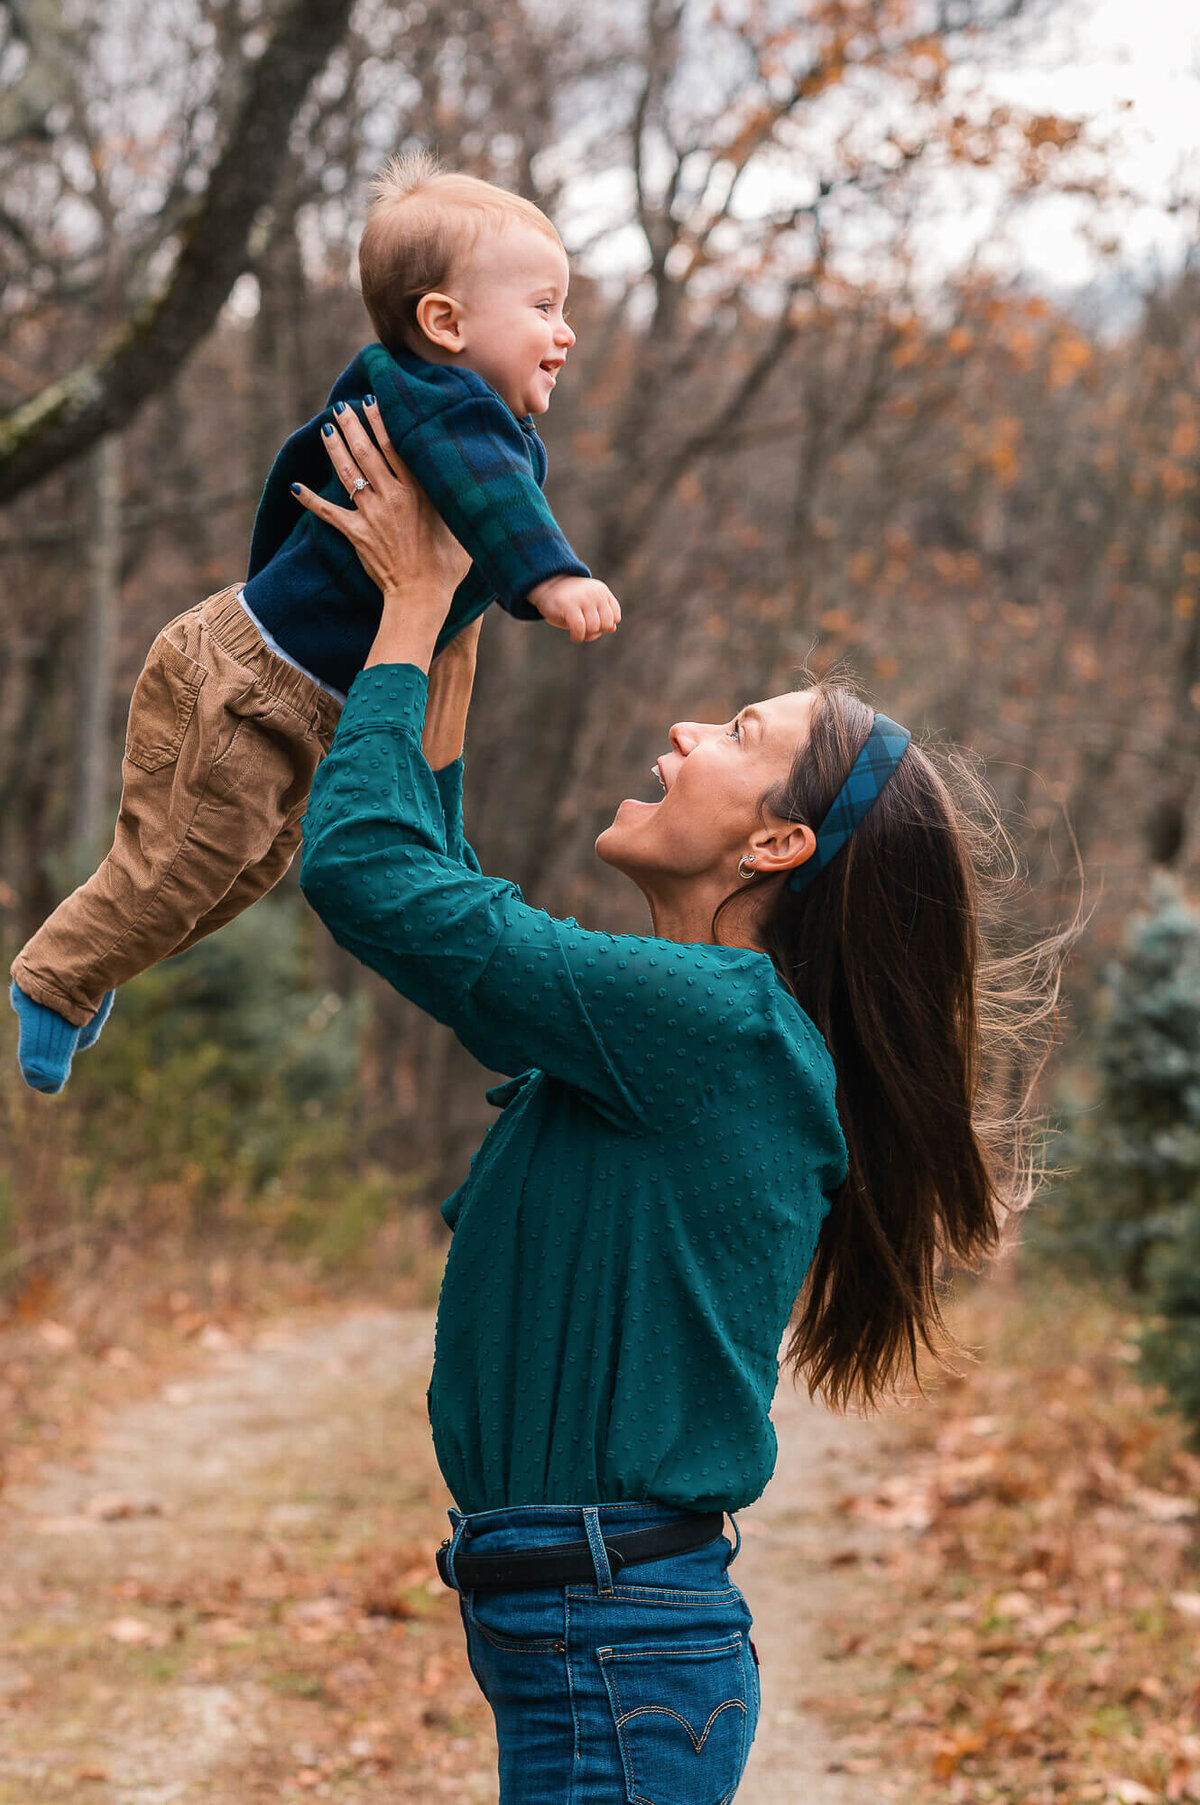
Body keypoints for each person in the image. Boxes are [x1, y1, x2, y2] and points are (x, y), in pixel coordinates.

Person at [293, 405, 1058, 1802]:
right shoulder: (698, 1028)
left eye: (736, 730)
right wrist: (447, 636)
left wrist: (408, 607)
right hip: (595, 1628)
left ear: (778, 841)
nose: (683, 727)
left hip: (611, 1640)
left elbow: (369, 875)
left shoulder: (710, 1026)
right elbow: (439, 891)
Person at [9, 153, 618, 1093]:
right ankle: (54, 980)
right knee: (183, 865)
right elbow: (498, 505)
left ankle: (102, 958)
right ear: (444, 323)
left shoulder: (465, 416)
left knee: (236, 876)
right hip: (254, 686)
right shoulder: (442, 405)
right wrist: (551, 577)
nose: (565, 333)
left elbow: (452, 587)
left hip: (306, 703)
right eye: (544, 307)